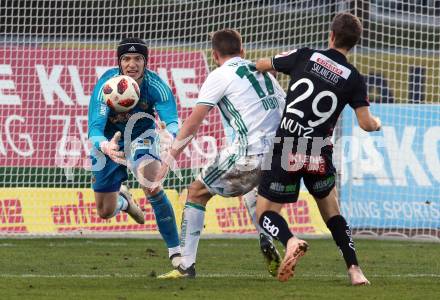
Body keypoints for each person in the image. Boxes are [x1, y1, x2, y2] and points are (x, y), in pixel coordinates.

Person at [255, 12, 381, 285]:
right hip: (318, 151)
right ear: (354, 43)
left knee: (264, 213)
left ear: (331, 35)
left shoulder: (305, 56)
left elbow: (263, 64)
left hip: (287, 145)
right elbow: (366, 123)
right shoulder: (354, 78)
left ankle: (289, 240)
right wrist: (377, 124)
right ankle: (355, 271)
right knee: (333, 213)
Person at [155, 29, 286, 278]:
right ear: (243, 50)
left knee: (196, 192)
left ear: (215, 55)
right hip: (279, 155)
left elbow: (193, 123)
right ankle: (266, 237)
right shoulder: (265, 72)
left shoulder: (220, 75)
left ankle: (185, 266)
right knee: (251, 194)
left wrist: (169, 158)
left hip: (250, 153)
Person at [87, 37, 181, 268]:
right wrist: (106, 146)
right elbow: (94, 129)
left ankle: (176, 253)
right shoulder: (106, 86)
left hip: (142, 136)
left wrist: (170, 135)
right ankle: (126, 203)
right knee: (105, 211)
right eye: (126, 58)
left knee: (151, 184)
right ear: (119, 62)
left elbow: (172, 121)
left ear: (145, 62)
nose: (132, 64)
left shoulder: (156, 85)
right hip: (110, 142)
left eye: (138, 58)